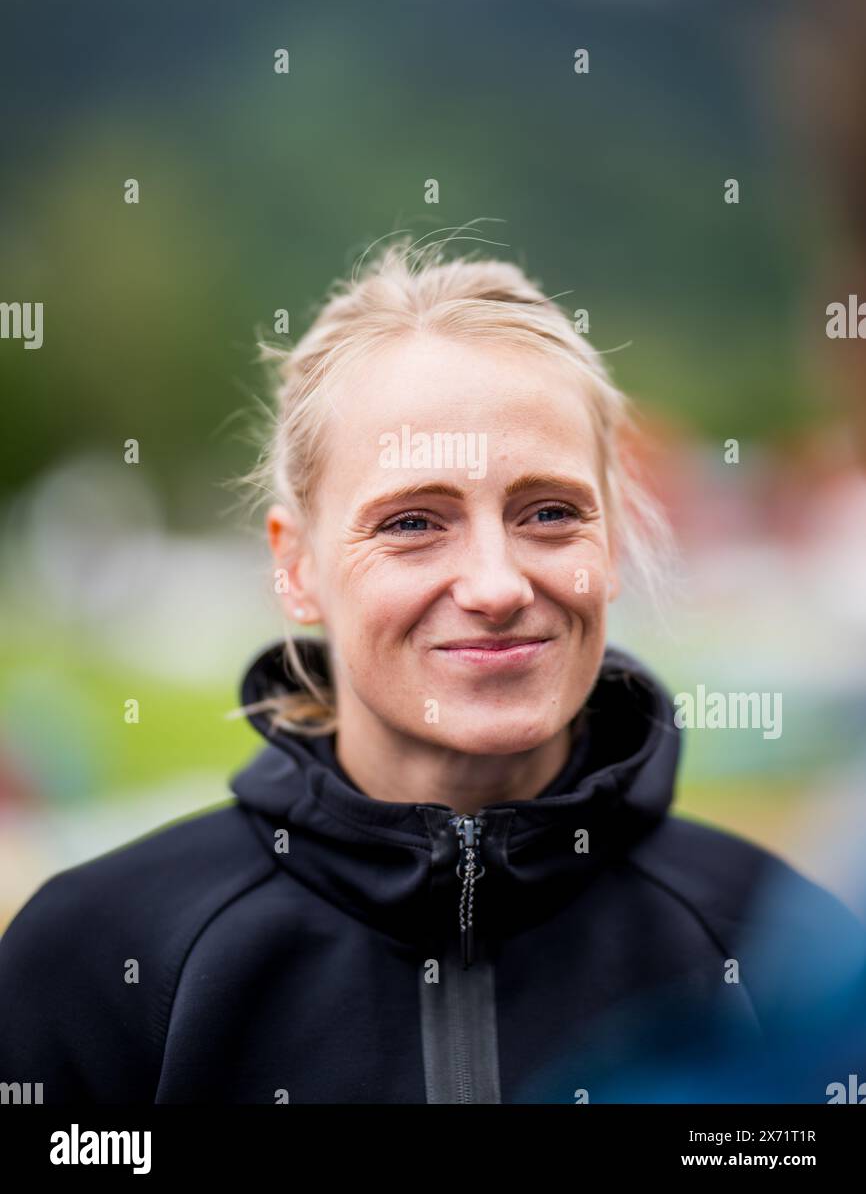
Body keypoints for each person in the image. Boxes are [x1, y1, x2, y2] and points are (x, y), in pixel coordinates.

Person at [1, 240, 863, 1104]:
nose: (496, 585)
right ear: (295, 567)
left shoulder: (788, 955)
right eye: (413, 522)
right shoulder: (94, 959)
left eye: (550, 513)